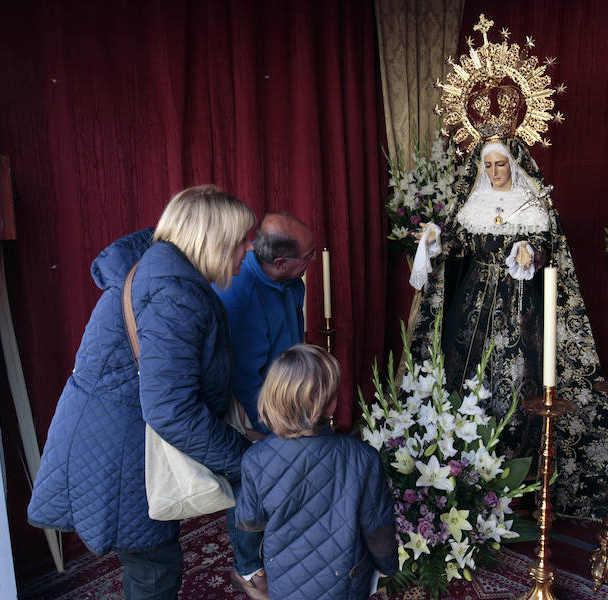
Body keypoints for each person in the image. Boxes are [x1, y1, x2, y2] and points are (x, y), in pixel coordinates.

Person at [27, 185, 261, 599]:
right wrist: (247, 459)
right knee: (154, 572)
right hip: (120, 454)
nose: (250, 247)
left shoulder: (162, 273)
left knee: (152, 565)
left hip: (114, 441)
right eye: (244, 237)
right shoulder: (175, 294)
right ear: (215, 238)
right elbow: (170, 410)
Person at [410, 138, 608, 524]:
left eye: (500, 165)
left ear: (514, 164)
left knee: (516, 379)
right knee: (466, 375)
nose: (493, 172)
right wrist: (436, 238)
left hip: (517, 307)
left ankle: (512, 472)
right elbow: (458, 245)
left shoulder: (533, 207)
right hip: (471, 307)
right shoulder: (473, 204)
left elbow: (544, 247)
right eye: (487, 165)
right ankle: (465, 469)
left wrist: (527, 249)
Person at [235, 344, 398, 600]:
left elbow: (249, 525)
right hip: (345, 583)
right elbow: (377, 526)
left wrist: (247, 568)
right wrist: (388, 566)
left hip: (285, 583)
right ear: (330, 405)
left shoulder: (255, 459)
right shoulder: (363, 458)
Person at [214, 212, 313, 434]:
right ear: (280, 263)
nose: (312, 260)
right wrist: (275, 435)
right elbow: (243, 383)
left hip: (287, 404)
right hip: (260, 419)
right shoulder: (240, 296)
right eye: (308, 256)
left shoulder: (292, 280)